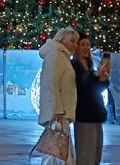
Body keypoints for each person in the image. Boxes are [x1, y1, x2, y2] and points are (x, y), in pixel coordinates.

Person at [39, 27, 78, 165]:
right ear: (61, 40)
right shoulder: (56, 56)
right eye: (72, 41)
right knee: (56, 153)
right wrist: (56, 109)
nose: (75, 45)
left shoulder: (61, 57)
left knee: (59, 152)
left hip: (61, 113)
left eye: (76, 42)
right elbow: (50, 83)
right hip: (58, 114)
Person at [72, 36, 108, 165]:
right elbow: (81, 83)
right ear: (76, 47)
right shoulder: (74, 66)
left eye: (88, 44)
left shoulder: (89, 66)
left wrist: (102, 80)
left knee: (96, 155)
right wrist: (95, 75)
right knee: (86, 154)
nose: (86, 48)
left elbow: (93, 89)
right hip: (84, 116)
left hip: (95, 114)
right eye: (83, 45)